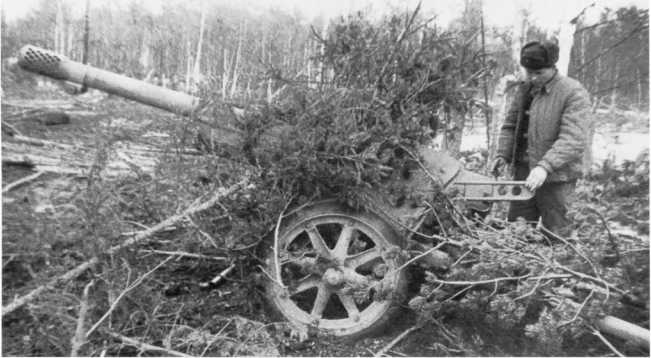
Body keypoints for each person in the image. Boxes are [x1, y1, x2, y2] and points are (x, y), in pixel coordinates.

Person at [490, 40, 591, 237]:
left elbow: (573, 139)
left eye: (539, 73)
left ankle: (557, 266)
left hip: (557, 177)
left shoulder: (573, 92)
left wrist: (544, 166)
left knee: (557, 233)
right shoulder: (525, 89)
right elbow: (511, 126)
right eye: (529, 72)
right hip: (523, 173)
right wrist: (503, 154)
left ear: (553, 68)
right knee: (518, 231)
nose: (533, 78)